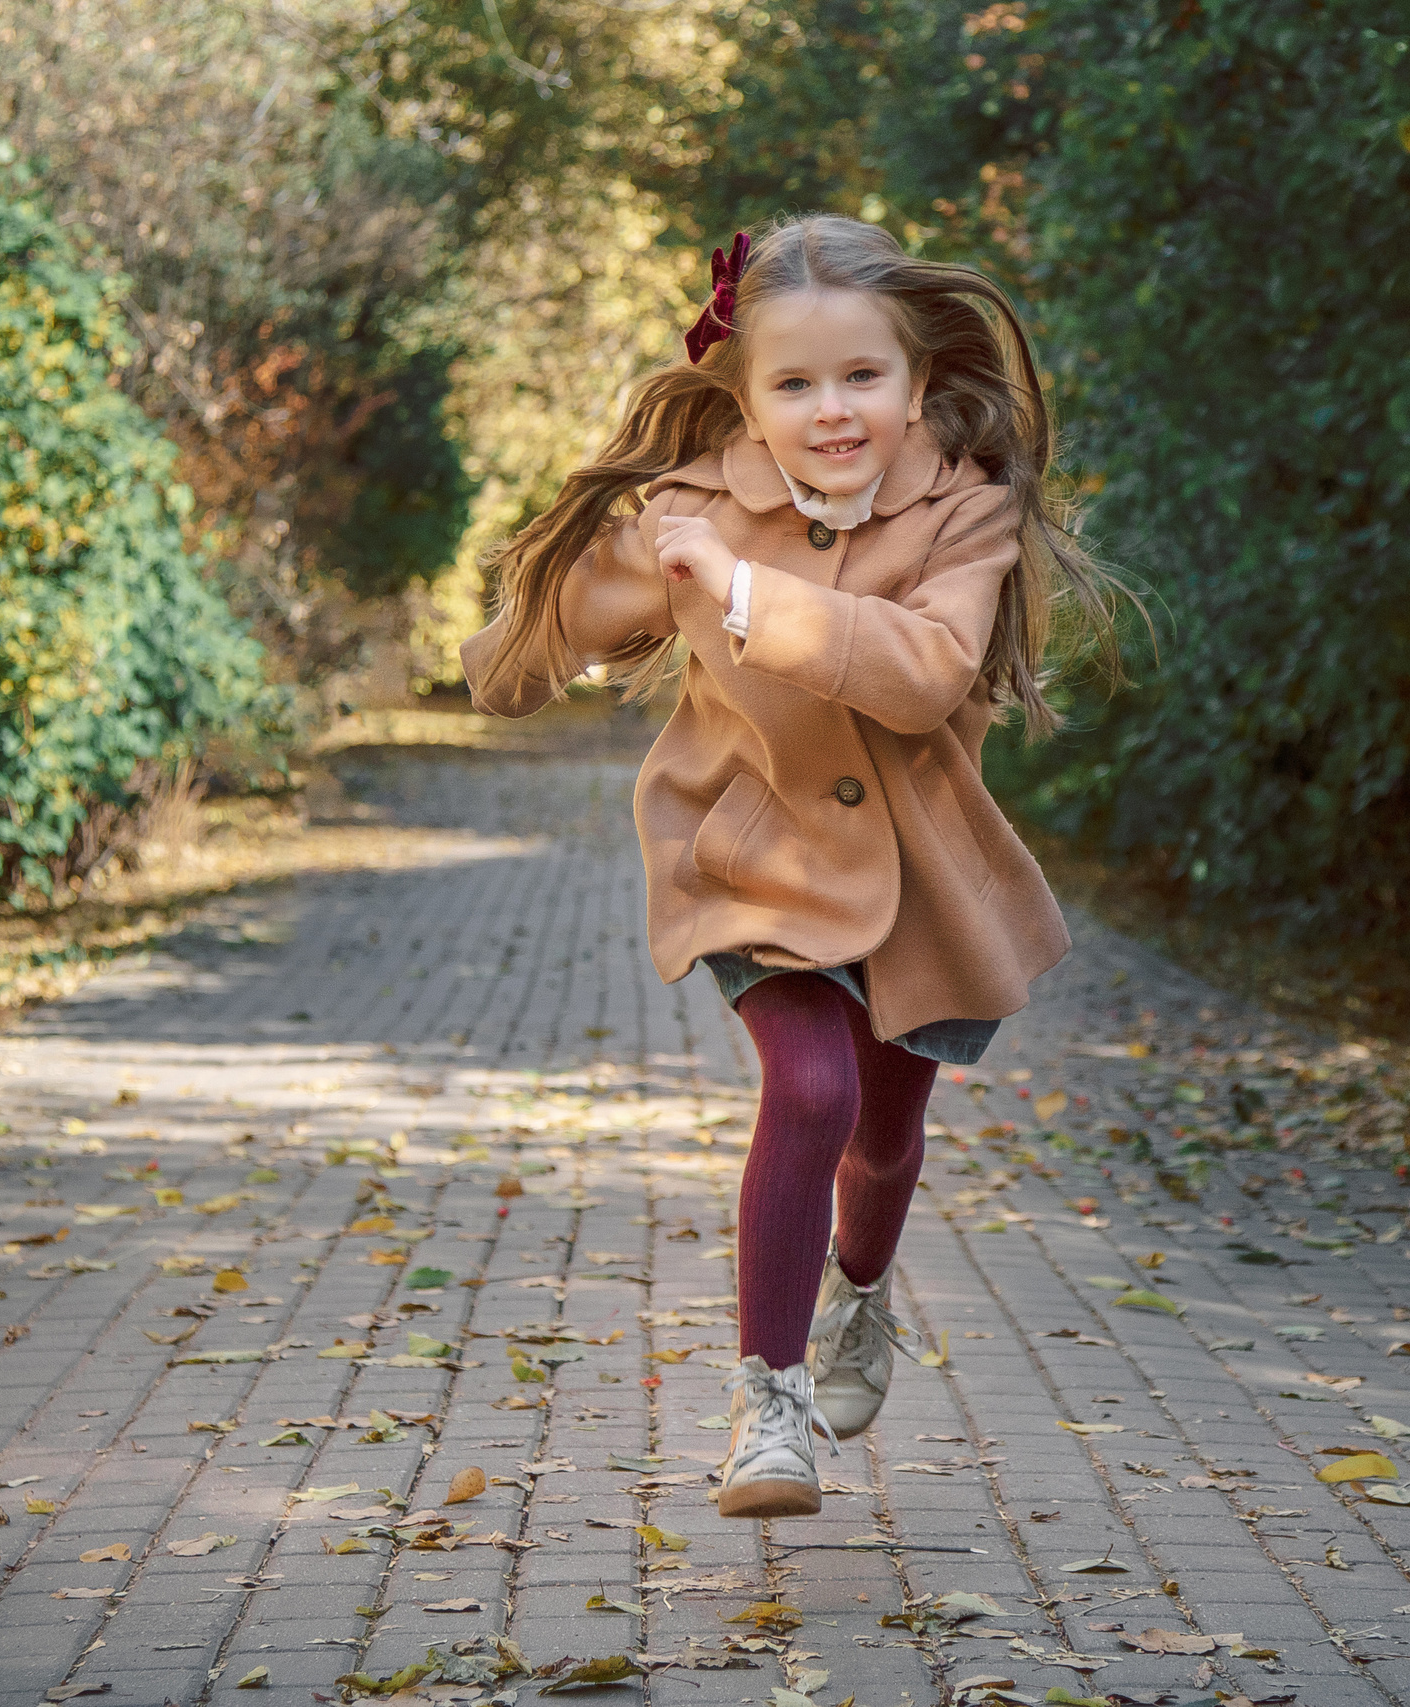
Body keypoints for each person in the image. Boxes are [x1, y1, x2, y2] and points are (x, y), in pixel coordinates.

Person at [461, 216, 1129, 1519]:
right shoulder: (701, 507)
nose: (832, 411)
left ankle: (861, 1298)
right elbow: (575, 613)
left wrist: (752, 599)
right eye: (795, 385)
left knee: (886, 1133)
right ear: (747, 396)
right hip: (749, 854)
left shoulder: (966, 511)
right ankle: (768, 1408)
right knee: (811, 1087)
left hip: (918, 869)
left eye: (861, 380)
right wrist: (513, 658)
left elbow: (927, 667)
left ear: (918, 381)